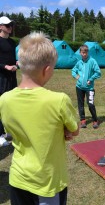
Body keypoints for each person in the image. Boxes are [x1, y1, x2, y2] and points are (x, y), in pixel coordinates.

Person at [0, 32, 79, 204]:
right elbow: (74, 130)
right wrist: (64, 130)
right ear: (47, 70)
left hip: (18, 178)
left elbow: (11, 131)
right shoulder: (59, 100)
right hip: (47, 182)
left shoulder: (4, 99)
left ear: (19, 64)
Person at [72, 45, 101, 129]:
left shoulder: (92, 61)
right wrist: (77, 77)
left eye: (85, 52)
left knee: (90, 104)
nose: (84, 54)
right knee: (80, 104)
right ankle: (83, 120)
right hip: (79, 87)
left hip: (90, 88)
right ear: (80, 53)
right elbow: (73, 71)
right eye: (82, 52)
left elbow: (98, 72)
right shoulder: (79, 62)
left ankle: (95, 120)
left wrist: (91, 79)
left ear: (87, 52)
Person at [0, 16, 17, 147]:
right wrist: (5, 66)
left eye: (11, 25)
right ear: (0, 27)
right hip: (1, 78)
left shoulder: (12, 42)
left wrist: (16, 63)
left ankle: (8, 131)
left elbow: (12, 58)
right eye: (7, 25)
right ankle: (0, 135)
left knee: (11, 103)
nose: (10, 27)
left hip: (12, 77)